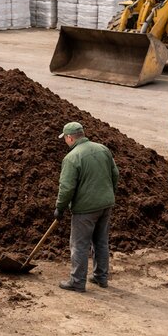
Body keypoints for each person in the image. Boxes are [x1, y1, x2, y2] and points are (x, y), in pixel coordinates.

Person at [54, 122, 119, 293]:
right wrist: (108, 193)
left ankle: (77, 281)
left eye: (65, 139)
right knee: (101, 241)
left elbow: (66, 187)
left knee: (79, 245)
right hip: (106, 204)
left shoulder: (72, 157)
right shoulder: (102, 149)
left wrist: (60, 207)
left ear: (69, 137)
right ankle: (101, 277)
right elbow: (115, 174)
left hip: (85, 209)